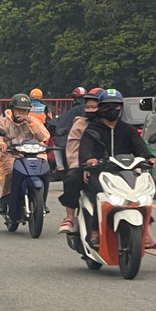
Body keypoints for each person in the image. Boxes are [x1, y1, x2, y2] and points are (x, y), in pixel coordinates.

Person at [78, 89, 156, 256]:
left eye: (116, 106)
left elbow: (139, 145)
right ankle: (95, 230)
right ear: (100, 108)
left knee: (141, 195)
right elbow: (85, 148)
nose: (112, 109)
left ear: (121, 108)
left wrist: (149, 157)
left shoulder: (127, 129)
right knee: (98, 192)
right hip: (101, 172)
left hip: (125, 171)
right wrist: (90, 159)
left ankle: (147, 234)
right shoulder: (92, 129)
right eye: (107, 106)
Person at [0, 93, 51, 214]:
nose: (21, 113)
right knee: (11, 171)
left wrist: (31, 122)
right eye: (18, 110)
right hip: (11, 155)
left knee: (45, 170)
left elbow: (44, 135)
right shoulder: (3, 123)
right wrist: (0, 144)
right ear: (12, 109)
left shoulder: (32, 122)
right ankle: (5, 200)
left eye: (24, 110)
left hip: (32, 155)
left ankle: (42, 201)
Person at [57, 90, 100, 233]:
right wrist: (80, 167)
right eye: (88, 107)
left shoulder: (116, 125)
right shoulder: (81, 124)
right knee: (71, 179)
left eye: (94, 107)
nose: (91, 110)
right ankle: (70, 217)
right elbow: (73, 150)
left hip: (110, 166)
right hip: (83, 166)